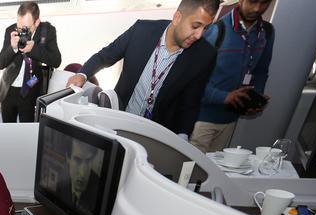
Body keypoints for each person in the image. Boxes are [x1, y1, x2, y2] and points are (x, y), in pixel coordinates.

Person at [67, 0, 220, 139]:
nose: (199, 35)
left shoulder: (204, 55)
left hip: (158, 137)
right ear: (177, 17)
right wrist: (82, 74)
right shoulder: (141, 31)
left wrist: (182, 136)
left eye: (206, 28)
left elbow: (190, 103)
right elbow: (105, 56)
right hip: (117, 126)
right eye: (195, 26)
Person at [190, 0, 275, 153]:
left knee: (215, 171)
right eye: (253, 1)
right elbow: (192, 79)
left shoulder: (267, 32)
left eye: (264, 3)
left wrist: (254, 98)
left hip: (230, 119)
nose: (257, 8)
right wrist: (224, 97)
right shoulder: (216, 30)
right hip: (201, 120)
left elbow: (261, 71)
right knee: (187, 171)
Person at [0, 2, 61, 123]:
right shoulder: (10, 30)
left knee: (27, 132)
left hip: (30, 88)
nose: (21, 31)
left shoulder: (48, 31)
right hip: (8, 89)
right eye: (19, 26)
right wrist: (13, 48)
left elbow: (56, 61)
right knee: (7, 131)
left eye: (25, 28)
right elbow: (0, 63)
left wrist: (34, 49)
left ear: (37, 22)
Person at [61, 139, 103, 215]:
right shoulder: (61, 179)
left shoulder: (99, 193)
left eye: (88, 161)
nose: (82, 173)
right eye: (77, 160)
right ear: (68, 157)